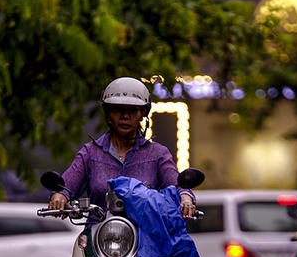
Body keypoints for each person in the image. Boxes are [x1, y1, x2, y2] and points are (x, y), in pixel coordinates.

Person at [47, 76, 196, 219]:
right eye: (118, 110)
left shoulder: (158, 154)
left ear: (143, 113)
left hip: (146, 239)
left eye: (132, 110)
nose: (125, 116)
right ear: (108, 113)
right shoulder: (90, 153)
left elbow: (177, 186)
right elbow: (67, 186)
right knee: (81, 245)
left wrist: (185, 198)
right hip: (98, 235)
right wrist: (59, 196)